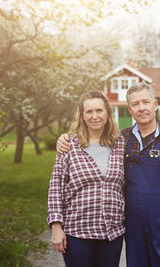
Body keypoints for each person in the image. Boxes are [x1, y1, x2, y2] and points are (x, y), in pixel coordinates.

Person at [57, 82, 160, 267]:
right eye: (135, 104)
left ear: (155, 104)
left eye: (145, 102)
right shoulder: (123, 140)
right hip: (134, 228)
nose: (141, 108)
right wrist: (64, 138)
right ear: (129, 109)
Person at [47, 90, 126, 267]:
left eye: (99, 110)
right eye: (89, 112)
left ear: (107, 113)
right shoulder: (69, 145)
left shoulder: (121, 144)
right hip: (78, 233)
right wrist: (56, 226)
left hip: (112, 233)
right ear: (82, 116)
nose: (94, 116)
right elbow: (55, 187)